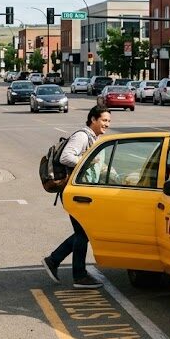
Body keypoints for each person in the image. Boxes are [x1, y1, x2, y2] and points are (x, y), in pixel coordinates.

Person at [43, 105, 112, 289]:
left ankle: (54, 261)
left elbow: (97, 165)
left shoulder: (95, 138)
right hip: (76, 193)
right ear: (93, 119)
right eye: (104, 120)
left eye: (108, 121)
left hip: (86, 192)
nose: (107, 124)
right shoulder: (82, 136)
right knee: (83, 233)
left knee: (83, 233)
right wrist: (86, 161)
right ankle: (78, 275)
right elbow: (66, 157)